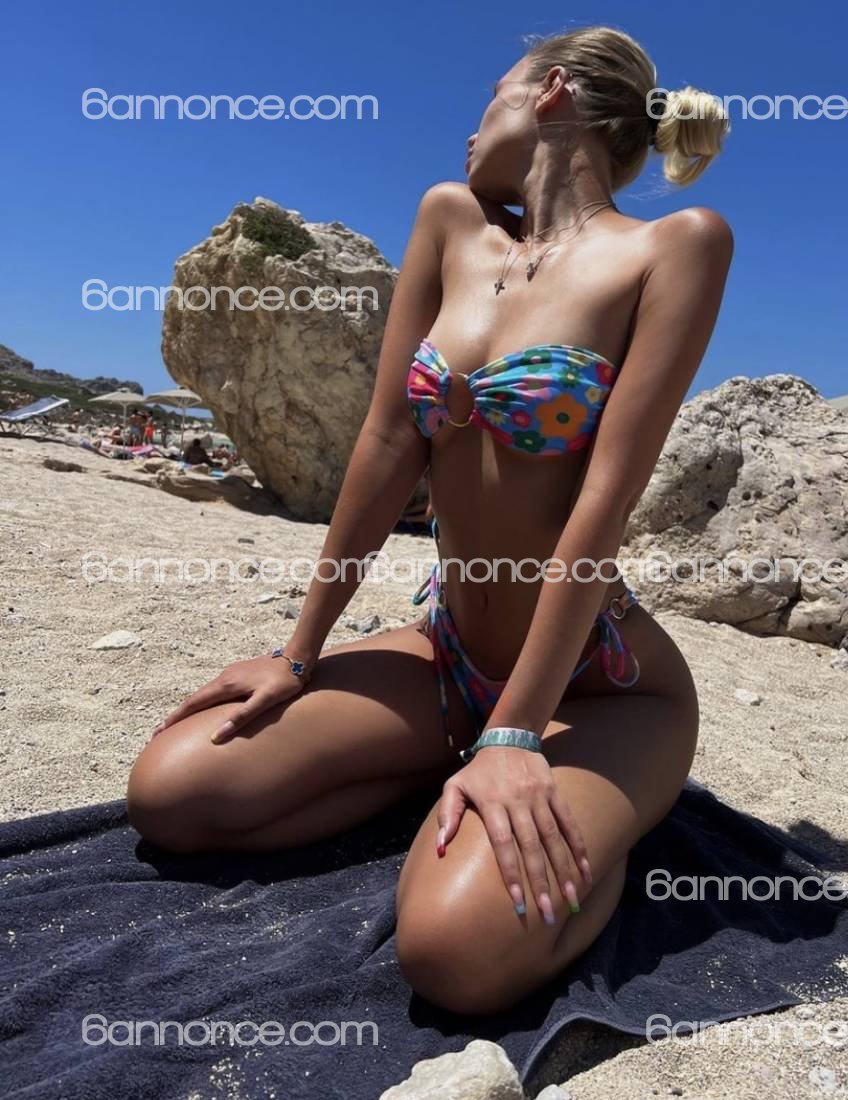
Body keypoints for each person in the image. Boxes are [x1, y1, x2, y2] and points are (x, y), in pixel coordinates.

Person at [128, 24, 733, 1016]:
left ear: (551, 92)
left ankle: (604, 831)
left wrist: (518, 733)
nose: (469, 127)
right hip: (447, 654)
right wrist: (298, 653)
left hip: (598, 682)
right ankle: (449, 773)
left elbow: (605, 499)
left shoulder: (675, 246)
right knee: (174, 792)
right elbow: (382, 445)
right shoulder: (450, 223)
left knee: (451, 955)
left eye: (491, 93)